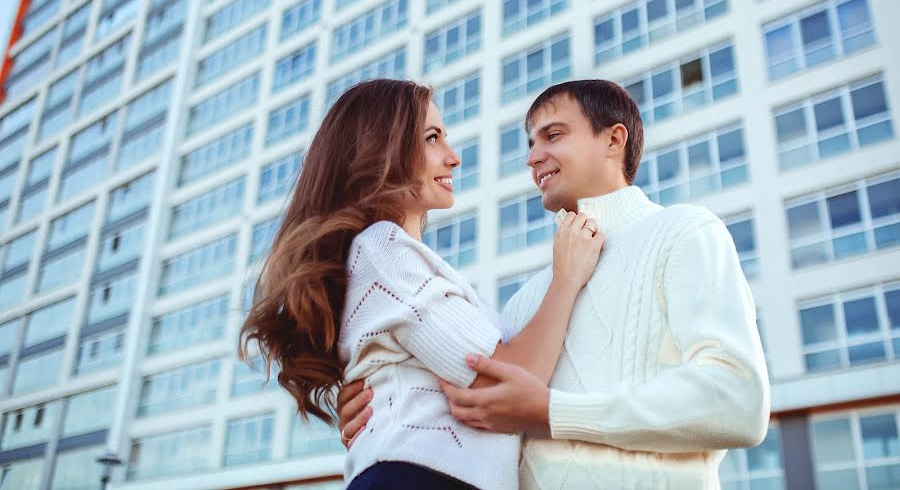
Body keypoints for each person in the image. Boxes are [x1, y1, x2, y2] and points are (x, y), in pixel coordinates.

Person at [339, 79, 771, 488]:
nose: (532, 156)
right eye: (530, 143)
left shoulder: (684, 231)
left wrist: (554, 412)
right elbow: (484, 409)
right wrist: (382, 403)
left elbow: (738, 400)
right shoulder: (526, 303)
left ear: (613, 140)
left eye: (553, 135)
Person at [239, 79, 604, 490]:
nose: (453, 158)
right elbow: (513, 379)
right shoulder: (384, 250)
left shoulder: (399, 263)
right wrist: (567, 277)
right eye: (433, 138)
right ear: (381, 149)